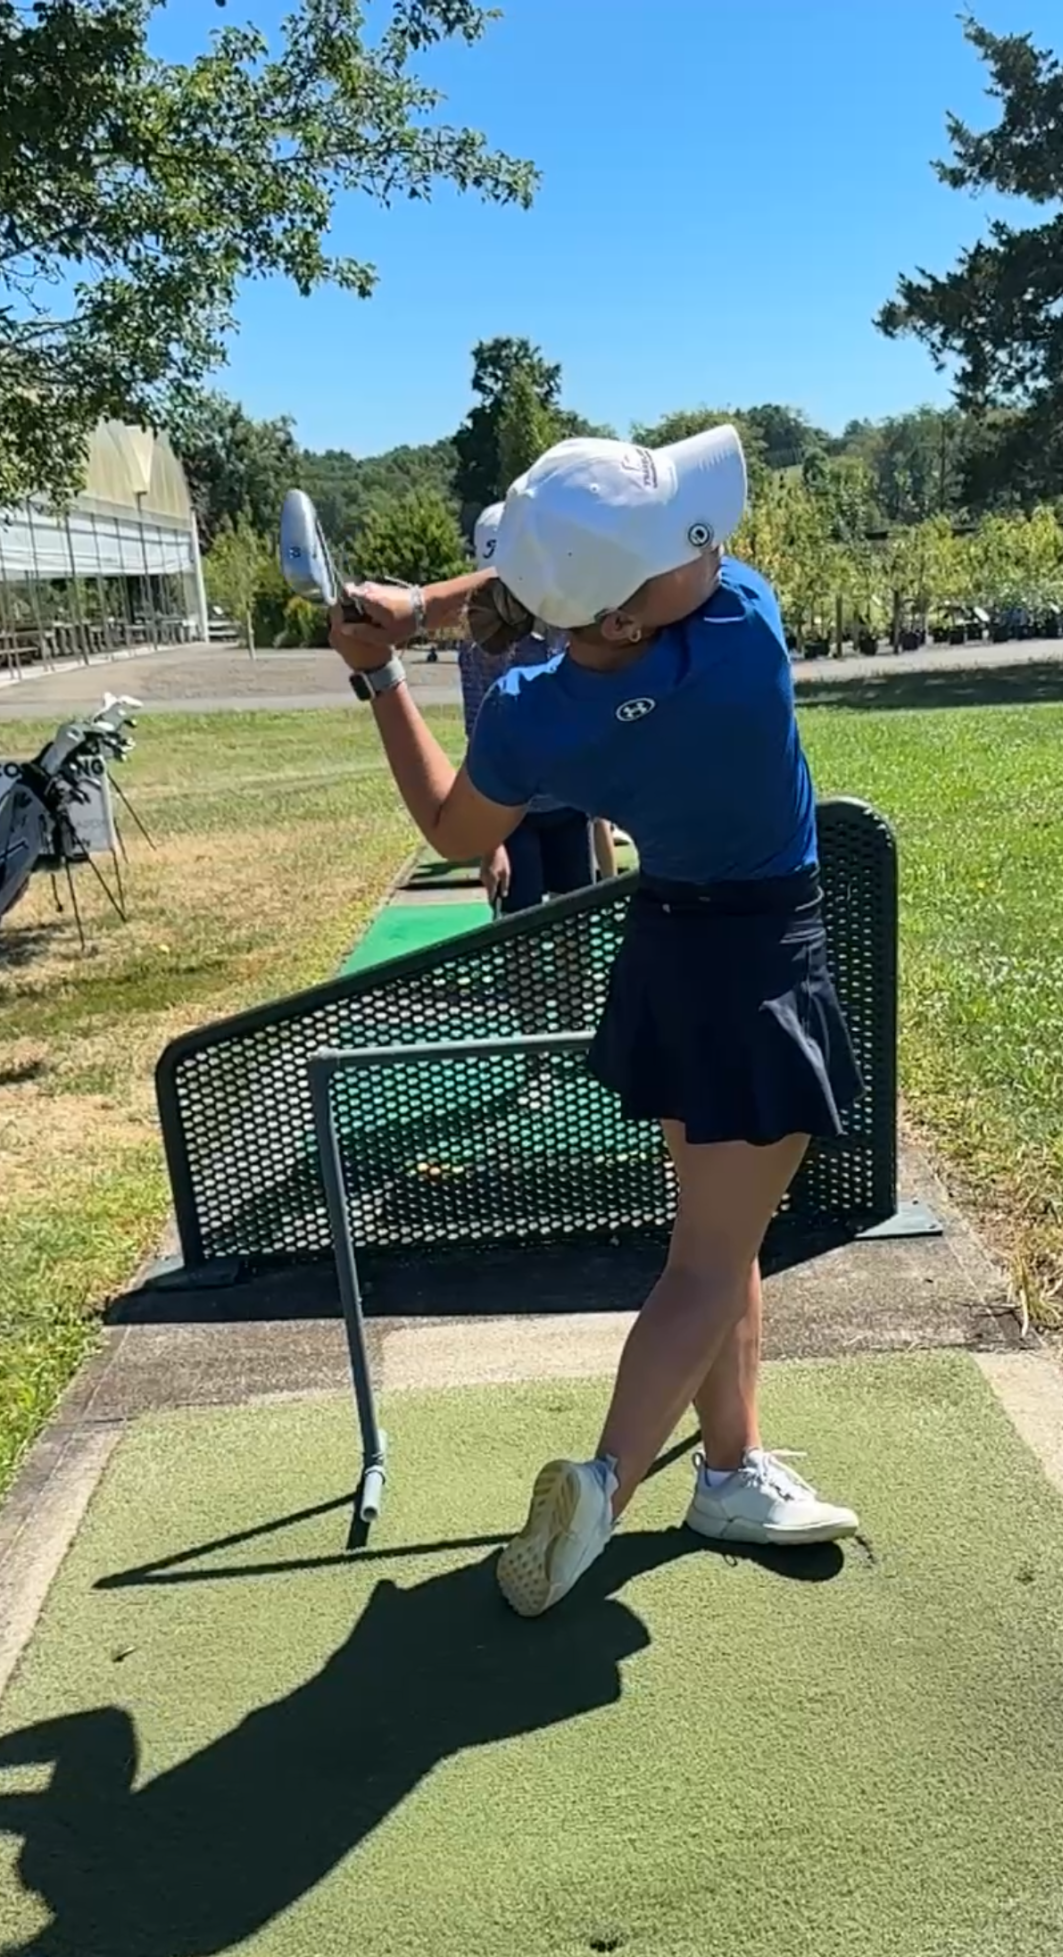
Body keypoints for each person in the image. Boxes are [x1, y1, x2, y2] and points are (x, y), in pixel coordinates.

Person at [331, 424, 861, 1618]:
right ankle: (605, 1480)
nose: (709, 544)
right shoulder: (739, 630)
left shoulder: (534, 715)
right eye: (681, 539)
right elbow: (556, 587)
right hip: (760, 965)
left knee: (720, 1237)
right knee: (707, 1261)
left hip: (669, 956)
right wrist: (433, 607)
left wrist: (387, 659)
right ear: (622, 611)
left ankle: (728, 1469)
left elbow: (453, 827)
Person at [459, 501, 610, 912]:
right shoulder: (476, 646)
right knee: (519, 929)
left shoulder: (566, 621)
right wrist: (490, 845)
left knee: (574, 926)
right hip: (511, 814)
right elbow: (478, 742)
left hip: (570, 805)